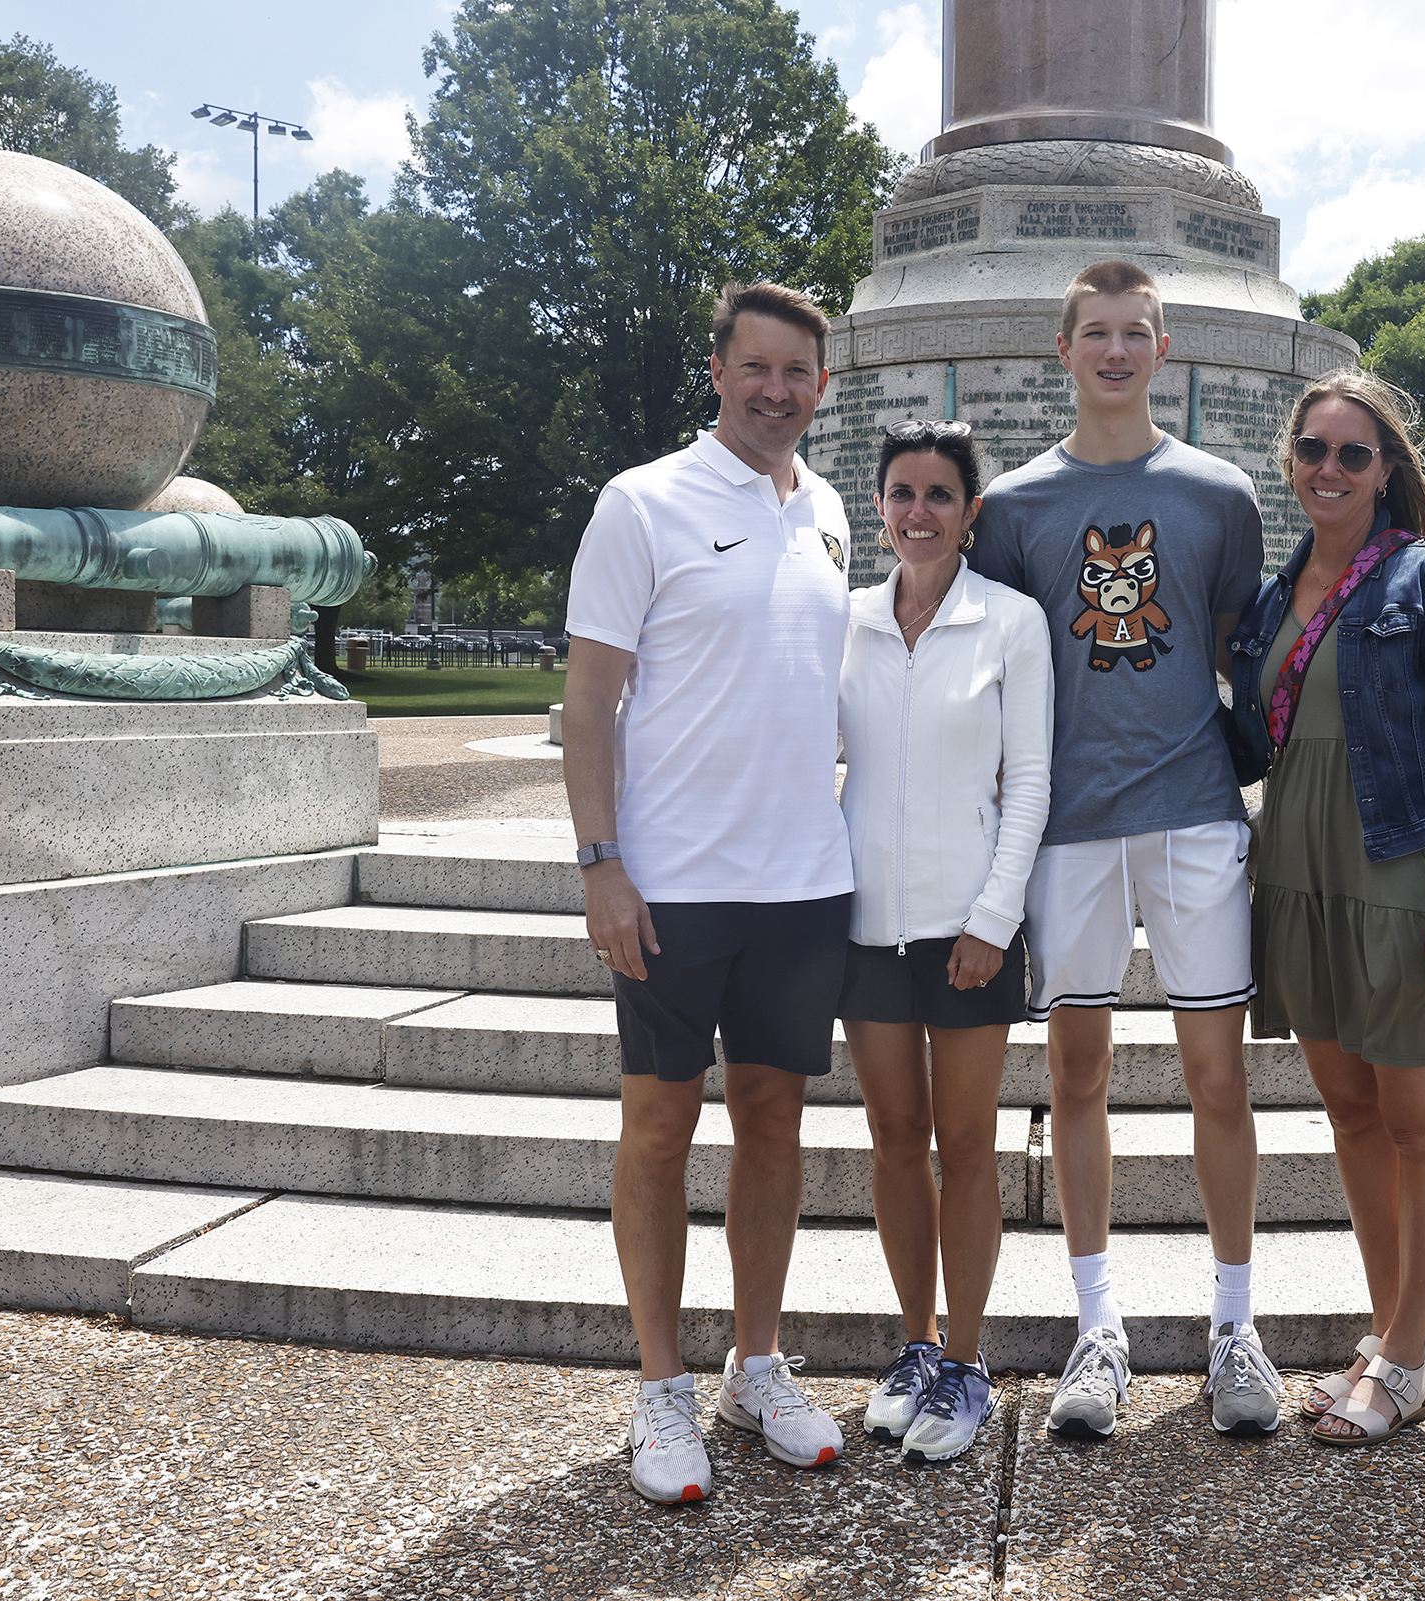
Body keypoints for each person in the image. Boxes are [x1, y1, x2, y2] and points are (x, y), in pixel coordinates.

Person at [966, 259, 1279, 1438]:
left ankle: (1233, 1326)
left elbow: (1249, 657)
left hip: (1195, 810)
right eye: (1094, 331)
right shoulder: (1015, 508)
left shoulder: (1219, 494)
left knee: (1219, 1077)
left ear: (1163, 347)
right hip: (1071, 826)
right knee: (1077, 1077)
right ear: (1064, 349)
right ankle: (1099, 1328)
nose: (1114, 349)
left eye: (1133, 331)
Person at [564, 280, 857, 1505]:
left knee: (777, 1124)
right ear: (722, 372)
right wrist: (602, 865)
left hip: (802, 879)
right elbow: (588, 702)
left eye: (799, 372)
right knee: (658, 1129)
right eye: (758, 367)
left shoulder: (835, 509)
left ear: (821, 387)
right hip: (675, 882)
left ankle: (757, 1362)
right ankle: (658, 1386)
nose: (777, 390)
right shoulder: (643, 501)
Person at [1224, 371, 1425, 1446]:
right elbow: (1251, 741)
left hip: (1396, 875)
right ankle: (1395, 1331)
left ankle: (1407, 1351)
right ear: (1290, 462)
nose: (1329, 469)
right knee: (1350, 1115)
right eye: (1313, 449)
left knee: (1419, 1124)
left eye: (1353, 452)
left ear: (1387, 469)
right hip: (1295, 872)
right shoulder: (1269, 595)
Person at [839, 420, 1053, 1465]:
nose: (917, 510)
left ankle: (966, 1359)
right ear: (877, 505)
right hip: (865, 922)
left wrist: (993, 917)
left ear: (971, 512)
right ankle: (916, 1344)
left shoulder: (1010, 622)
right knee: (892, 1139)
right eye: (900, 491)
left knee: (966, 1145)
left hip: (969, 928)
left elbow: (1032, 785)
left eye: (937, 493)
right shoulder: (847, 625)